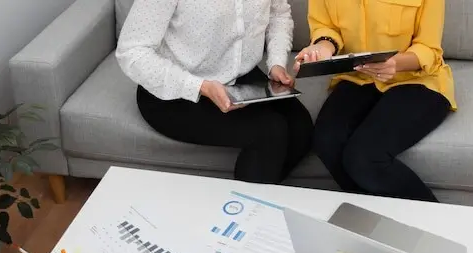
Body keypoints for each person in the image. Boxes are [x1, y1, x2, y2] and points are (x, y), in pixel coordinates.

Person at [116, 0, 313, 184]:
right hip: (175, 89)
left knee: (301, 128)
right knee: (271, 132)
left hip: (239, 77)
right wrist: (200, 86)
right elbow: (131, 51)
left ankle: (253, 199)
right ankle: (238, 207)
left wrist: (277, 63)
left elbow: (278, 14)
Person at [294, 0, 455, 202]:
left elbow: (428, 48)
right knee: (327, 142)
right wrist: (321, 49)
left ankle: (433, 219)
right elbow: (326, 28)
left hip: (417, 79)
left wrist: (395, 63)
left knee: (364, 157)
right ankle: (372, 216)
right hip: (358, 77)